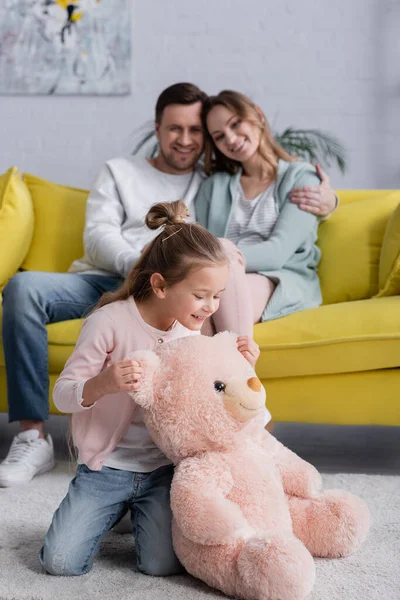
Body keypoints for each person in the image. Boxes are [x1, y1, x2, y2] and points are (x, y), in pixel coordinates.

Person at [0, 82, 336, 487]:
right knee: (23, 290)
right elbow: (97, 235)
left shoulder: (209, 182)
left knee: (198, 320)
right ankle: (32, 434)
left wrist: (329, 201)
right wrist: (140, 267)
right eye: (176, 129)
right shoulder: (119, 171)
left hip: (163, 293)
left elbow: (230, 236)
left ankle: (205, 437)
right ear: (157, 128)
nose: (186, 140)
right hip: (105, 277)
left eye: (197, 132)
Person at [39, 200, 247, 577]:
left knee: (161, 566)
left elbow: (214, 399)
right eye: (201, 295)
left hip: (163, 471)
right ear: (160, 285)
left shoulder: (192, 330)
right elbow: (62, 394)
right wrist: (103, 383)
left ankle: (133, 512)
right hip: (108, 469)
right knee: (59, 564)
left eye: (217, 295)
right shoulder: (108, 323)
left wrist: (244, 363)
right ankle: (113, 507)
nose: (210, 307)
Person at [195, 90, 328, 334]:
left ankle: (239, 370)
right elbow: (201, 244)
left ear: (258, 115)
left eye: (236, 124)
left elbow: (277, 253)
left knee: (213, 297)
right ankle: (241, 373)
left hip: (280, 278)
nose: (232, 139)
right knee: (196, 314)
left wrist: (225, 257)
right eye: (219, 136)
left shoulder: (301, 178)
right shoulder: (213, 187)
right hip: (218, 278)